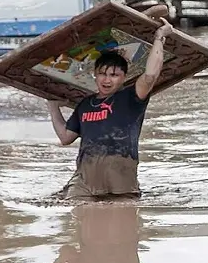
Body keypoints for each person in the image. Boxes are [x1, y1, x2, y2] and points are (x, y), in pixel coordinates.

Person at [47, 18, 174, 201]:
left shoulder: (131, 97)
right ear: (95, 75)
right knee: (74, 211)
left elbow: (151, 75)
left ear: (124, 77)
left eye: (114, 75)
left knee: (122, 218)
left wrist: (159, 38)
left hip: (120, 176)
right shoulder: (84, 104)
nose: (107, 80)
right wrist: (53, 107)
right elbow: (65, 137)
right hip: (85, 177)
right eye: (102, 74)